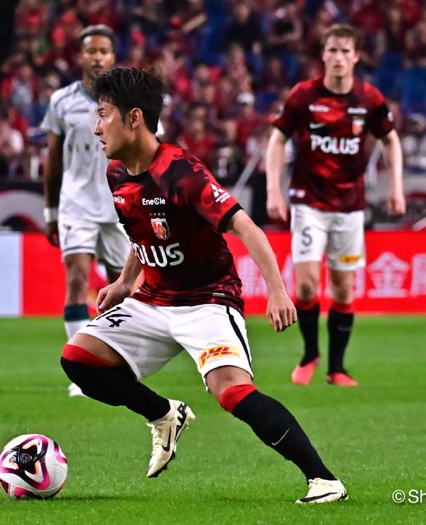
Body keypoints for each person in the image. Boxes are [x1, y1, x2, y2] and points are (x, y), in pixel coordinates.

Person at [60, 66, 348, 504]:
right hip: (153, 300)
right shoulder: (116, 173)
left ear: (134, 118)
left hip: (207, 301)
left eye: (103, 115)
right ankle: (163, 414)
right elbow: (145, 233)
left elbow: (247, 228)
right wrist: (122, 283)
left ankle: (323, 479)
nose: (96, 127)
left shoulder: (181, 172)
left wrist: (277, 290)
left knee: (232, 393)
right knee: (78, 359)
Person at [265, 24, 405, 387]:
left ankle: (337, 368)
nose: (339, 57)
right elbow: (276, 140)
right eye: (332, 50)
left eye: (345, 51)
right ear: (323, 55)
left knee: (343, 289)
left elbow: (391, 141)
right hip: (308, 202)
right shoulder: (303, 96)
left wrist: (396, 188)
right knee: (308, 286)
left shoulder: (369, 98)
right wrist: (274, 191)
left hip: (349, 207)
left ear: (356, 56)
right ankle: (310, 354)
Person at [41, 25, 130, 397]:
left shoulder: (129, 99)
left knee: (121, 287)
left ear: (113, 57)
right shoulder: (62, 101)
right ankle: (82, 372)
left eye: (104, 51)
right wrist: (49, 211)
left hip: (119, 204)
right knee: (77, 278)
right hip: (76, 204)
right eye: (90, 50)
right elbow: (53, 159)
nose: (97, 57)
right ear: (80, 56)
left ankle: (115, 364)